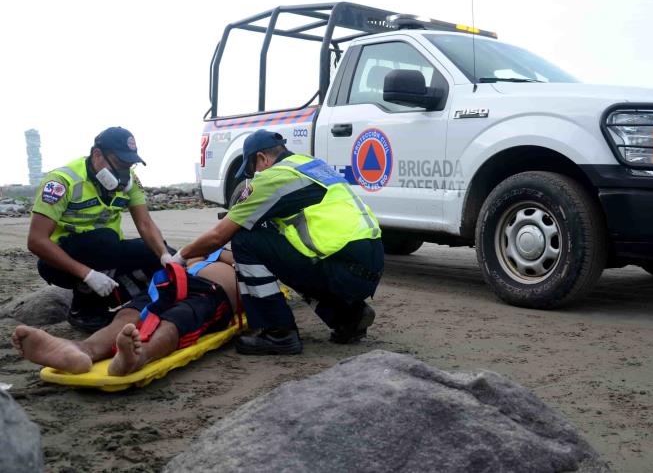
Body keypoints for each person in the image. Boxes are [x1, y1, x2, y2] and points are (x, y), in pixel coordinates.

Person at [170, 129, 384, 355]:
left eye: (253, 169)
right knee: (287, 249)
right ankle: (349, 317)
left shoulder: (272, 178)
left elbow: (218, 236)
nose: (254, 175)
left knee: (244, 239)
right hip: (370, 264)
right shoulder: (311, 165)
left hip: (342, 270)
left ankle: (277, 332)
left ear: (262, 158)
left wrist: (181, 256)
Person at [28, 127, 174, 332]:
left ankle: (121, 296)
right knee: (105, 240)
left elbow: (145, 224)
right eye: (120, 163)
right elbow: (36, 241)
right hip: (60, 259)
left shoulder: (129, 181)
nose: (125, 172)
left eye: (130, 165)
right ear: (97, 155)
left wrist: (164, 255)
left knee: (160, 253)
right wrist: (87, 274)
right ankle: (83, 308)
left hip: (107, 251)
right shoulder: (62, 181)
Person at [11, 252, 238, 376]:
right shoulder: (203, 251)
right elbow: (191, 252)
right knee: (131, 313)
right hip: (174, 282)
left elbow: (237, 261)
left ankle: (137, 356)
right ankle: (82, 350)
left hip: (212, 293)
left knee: (177, 320)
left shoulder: (239, 257)